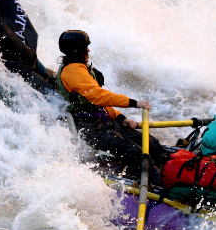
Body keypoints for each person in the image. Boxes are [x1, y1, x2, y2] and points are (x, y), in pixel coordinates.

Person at [56, 30, 168, 184]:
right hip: (90, 129)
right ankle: (156, 185)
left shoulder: (82, 68)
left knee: (151, 143)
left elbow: (100, 104)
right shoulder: (72, 71)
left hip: (105, 123)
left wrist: (121, 118)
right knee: (138, 154)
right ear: (77, 49)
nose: (88, 50)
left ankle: (169, 171)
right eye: (85, 47)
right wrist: (134, 103)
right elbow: (99, 96)